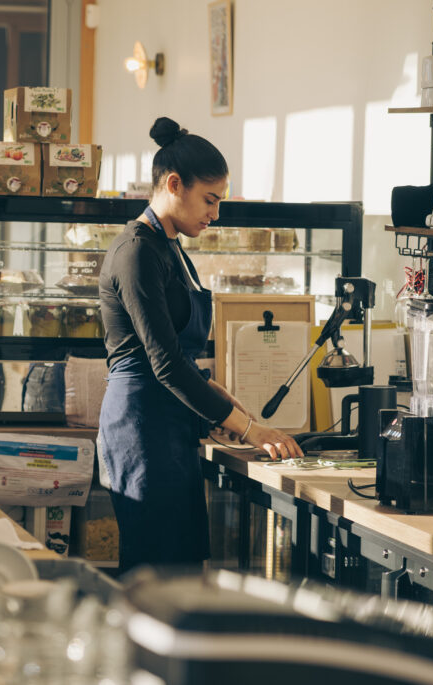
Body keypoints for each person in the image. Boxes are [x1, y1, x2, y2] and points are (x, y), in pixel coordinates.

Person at [98, 117, 303, 572]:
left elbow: (182, 359)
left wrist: (228, 405)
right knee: (156, 575)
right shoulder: (136, 252)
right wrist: (253, 432)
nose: (215, 214)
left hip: (170, 423)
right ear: (174, 184)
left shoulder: (170, 247)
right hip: (142, 429)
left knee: (183, 566)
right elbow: (166, 365)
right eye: (209, 200)